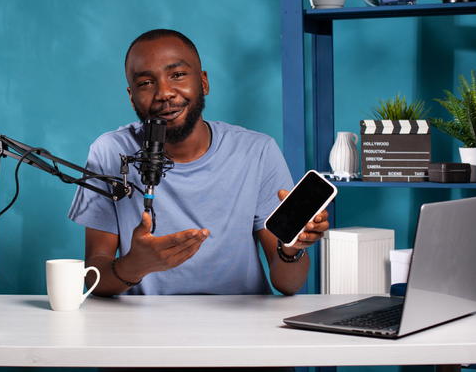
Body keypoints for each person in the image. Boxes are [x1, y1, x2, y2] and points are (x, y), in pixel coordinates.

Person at [68, 29, 329, 297]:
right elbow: (95, 278)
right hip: (144, 328)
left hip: (240, 325)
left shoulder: (257, 151)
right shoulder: (111, 152)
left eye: (178, 75)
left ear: (203, 82)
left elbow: (288, 284)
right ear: (131, 96)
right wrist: (133, 267)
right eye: (146, 83)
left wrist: (290, 250)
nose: (164, 93)